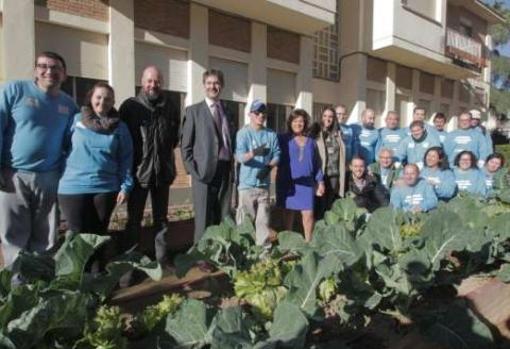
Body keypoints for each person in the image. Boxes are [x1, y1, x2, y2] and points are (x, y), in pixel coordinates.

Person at [0, 52, 78, 269]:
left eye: (55, 68)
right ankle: (16, 289)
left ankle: (40, 286)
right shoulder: (15, 90)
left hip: (50, 176)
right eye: (43, 66)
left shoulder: (69, 105)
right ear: (35, 70)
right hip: (13, 174)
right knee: (13, 236)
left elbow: (72, 142)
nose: (49, 71)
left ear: (64, 75)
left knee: (47, 236)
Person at [58, 83, 133, 266]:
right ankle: (76, 280)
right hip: (73, 188)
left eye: (107, 98)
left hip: (105, 188)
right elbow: (60, 148)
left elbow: (126, 158)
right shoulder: (75, 120)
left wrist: (126, 186)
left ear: (113, 102)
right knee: (77, 234)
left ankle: (97, 278)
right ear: (91, 98)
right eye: (99, 97)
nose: (102, 101)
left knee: (99, 234)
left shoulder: (120, 127)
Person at [119, 66, 180, 263]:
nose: (153, 85)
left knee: (161, 220)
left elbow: (174, 138)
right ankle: (130, 266)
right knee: (134, 221)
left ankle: (161, 261)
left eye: (157, 81)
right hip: (138, 173)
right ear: (142, 81)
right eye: (149, 80)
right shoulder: (130, 107)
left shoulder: (170, 106)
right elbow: (122, 141)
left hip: (162, 172)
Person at [181, 69, 236, 242]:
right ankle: (202, 257)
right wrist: (194, 172)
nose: (213, 86)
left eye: (217, 83)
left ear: (222, 86)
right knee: (203, 218)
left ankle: (219, 253)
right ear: (204, 86)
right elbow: (186, 147)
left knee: (223, 214)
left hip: (225, 171)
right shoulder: (193, 112)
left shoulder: (227, 110)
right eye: (209, 83)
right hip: (203, 173)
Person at [235, 100, 280, 249]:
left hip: (263, 185)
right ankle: (243, 250)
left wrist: (269, 167)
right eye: (257, 113)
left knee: (263, 221)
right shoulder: (243, 133)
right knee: (245, 221)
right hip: (247, 185)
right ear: (250, 114)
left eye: (264, 113)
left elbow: (277, 154)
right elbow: (240, 157)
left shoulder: (271, 134)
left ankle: (263, 253)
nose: (261, 116)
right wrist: (254, 152)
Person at [276, 109, 325, 242]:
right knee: (288, 214)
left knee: (308, 214)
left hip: (307, 184)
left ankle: (308, 244)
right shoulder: (282, 139)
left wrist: (320, 181)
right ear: (290, 123)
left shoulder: (311, 142)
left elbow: (316, 163)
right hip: (288, 183)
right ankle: (288, 244)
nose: (298, 124)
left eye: (301, 121)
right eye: (295, 121)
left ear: (305, 123)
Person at [312, 107, 346, 218]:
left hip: (334, 175)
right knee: (319, 204)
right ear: (321, 117)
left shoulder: (338, 133)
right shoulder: (316, 132)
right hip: (320, 174)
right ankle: (318, 228)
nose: (328, 119)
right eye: (325, 116)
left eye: (330, 116)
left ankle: (328, 229)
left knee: (330, 204)